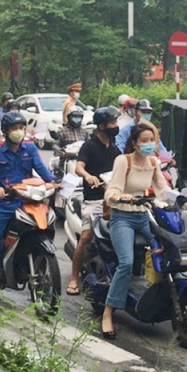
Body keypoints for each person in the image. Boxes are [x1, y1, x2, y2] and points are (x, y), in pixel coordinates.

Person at [0, 111, 55, 302]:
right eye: (14, 128)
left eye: (21, 128)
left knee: (47, 228)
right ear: (6, 131)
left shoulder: (30, 149)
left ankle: (41, 273)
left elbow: (40, 168)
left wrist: (53, 181)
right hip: (4, 204)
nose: (18, 132)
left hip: (28, 201)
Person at [100, 121, 169, 339]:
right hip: (123, 216)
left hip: (144, 215)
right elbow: (112, 189)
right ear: (135, 143)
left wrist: (183, 197)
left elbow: (162, 189)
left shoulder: (153, 162)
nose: (149, 145)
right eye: (144, 141)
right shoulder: (124, 160)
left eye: (152, 141)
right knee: (126, 262)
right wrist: (120, 196)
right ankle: (108, 312)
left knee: (168, 248)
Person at [66, 107, 121, 296]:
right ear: (102, 126)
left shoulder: (115, 149)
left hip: (113, 200)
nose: (116, 126)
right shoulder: (89, 146)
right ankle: (74, 277)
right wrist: (89, 176)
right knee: (87, 237)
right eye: (113, 123)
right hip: (94, 200)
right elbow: (79, 167)